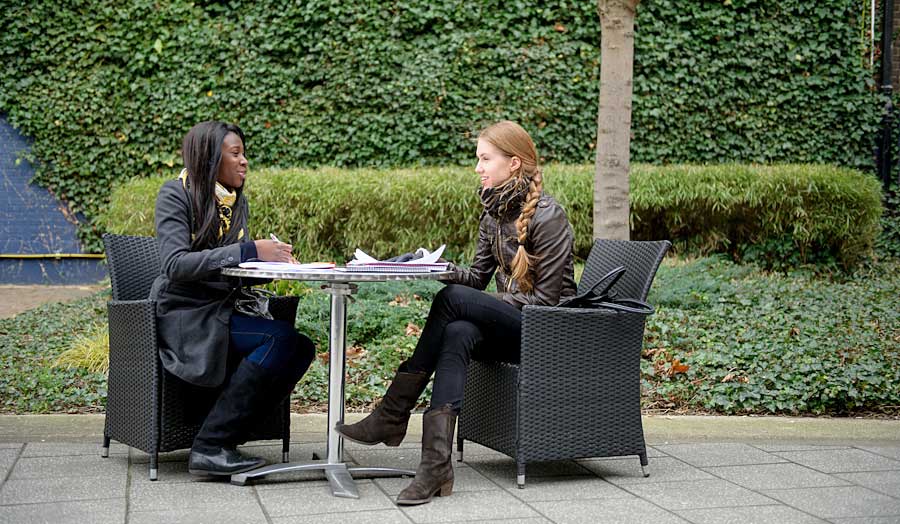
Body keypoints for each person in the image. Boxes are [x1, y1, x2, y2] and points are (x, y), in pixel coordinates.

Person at [337, 120, 576, 505]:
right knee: (458, 331)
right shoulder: (493, 215)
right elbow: (477, 278)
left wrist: (463, 292)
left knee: (453, 300)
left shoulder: (549, 217)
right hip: (511, 327)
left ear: (513, 163)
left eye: (485, 158)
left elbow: (547, 303)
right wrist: (431, 266)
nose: (478, 167)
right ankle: (435, 467)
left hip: (546, 331)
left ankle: (392, 413)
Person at [150, 121, 316, 476]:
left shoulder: (233, 200)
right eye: (235, 154)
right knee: (279, 338)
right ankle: (210, 446)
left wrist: (275, 265)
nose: (244, 162)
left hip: (222, 311)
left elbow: (237, 265)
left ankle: (228, 436)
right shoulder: (175, 194)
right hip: (186, 315)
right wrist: (249, 249)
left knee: (301, 347)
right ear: (211, 158)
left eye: (244, 154)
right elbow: (175, 265)